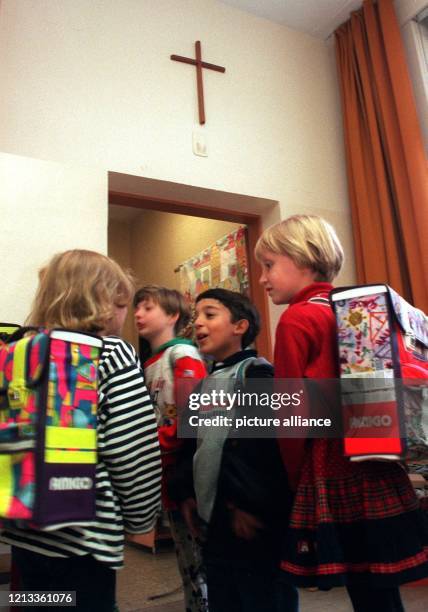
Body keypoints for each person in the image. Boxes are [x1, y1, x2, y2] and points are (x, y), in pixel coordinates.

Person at [256, 214, 428, 611]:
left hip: (331, 464)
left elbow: (291, 410)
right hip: (376, 455)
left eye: (269, 265)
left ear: (303, 259)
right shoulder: (354, 309)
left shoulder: (297, 318)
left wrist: (295, 476)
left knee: (360, 581)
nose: (263, 278)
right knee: (379, 584)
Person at [1, 249, 162, 612]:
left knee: (38, 602)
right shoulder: (110, 353)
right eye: (123, 304)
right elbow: (132, 450)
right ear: (103, 304)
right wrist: (141, 518)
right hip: (86, 536)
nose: (126, 315)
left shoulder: (17, 352)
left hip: (25, 530)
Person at [170, 288, 298, 612]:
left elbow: (263, 452)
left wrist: (248, 504)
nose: (197, 323)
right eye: (196, 316)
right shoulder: (205, 384)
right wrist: (185, 491)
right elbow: (193, 445)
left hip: (249, 519)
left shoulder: (257, 376)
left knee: (262, 595)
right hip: (215, 521)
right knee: (225, 595)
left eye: (209, 315)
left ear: (239, 326)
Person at [133, 285, 208, 612]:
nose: (138, 314)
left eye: (147, 308)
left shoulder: (182, 355)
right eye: (137, 308)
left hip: (185, 468)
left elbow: (193, 415)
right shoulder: (151, 363)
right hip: (165, 468)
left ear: (173, 315)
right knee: (186, 555)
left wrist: (158, 445)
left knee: (198, 556)